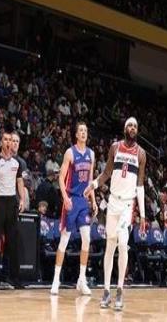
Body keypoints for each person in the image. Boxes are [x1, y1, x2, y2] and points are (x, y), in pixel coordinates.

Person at [84, 117, 147, 311]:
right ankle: (106, 290)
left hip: (127, 204)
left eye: (135, 126)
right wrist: (93, 184)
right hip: (113, 202)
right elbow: (106, 173)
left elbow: (140, 185)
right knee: (110, 246)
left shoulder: (141, 153)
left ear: (137, 130)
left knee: (123, 243)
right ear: (125, 128)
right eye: (130, 125)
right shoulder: (115, 147)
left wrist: (143, 215)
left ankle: (119, 289)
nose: (132, 128)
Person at [50, 122, 97, 295]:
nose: (83, 133)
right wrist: (65, 197)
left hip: (83, 201)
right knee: (64, 239)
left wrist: (93, 201)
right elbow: (61, 178)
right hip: (71, 200)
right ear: (76, 134)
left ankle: (81, 280)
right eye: (81, 131)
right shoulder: (70, 152)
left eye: (85, 130)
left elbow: (90, 180)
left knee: (87, 239)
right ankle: (56, 280)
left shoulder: (91, 154)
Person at [0, 131, 25, 289]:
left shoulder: (17, 163)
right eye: (6, 139)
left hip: (11, 203)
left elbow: (20, 182)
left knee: (12, 242)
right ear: (1, 142)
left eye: (11, 140)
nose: (9, 142)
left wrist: (22, 199)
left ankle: (13, 278)